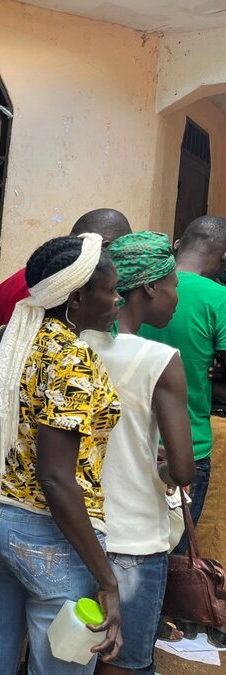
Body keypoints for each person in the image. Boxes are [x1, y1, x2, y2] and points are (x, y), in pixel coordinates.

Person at [0, 233, 123, 674]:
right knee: (61, 666)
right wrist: (108, 581)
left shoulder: (7, 337)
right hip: (54, 538)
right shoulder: (73, 358)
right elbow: (56, 477)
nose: (118, 299)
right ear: (77, 298)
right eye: (111, 290)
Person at [81, 232, 195, 675]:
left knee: (73, 651)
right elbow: (183, 468)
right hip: (132, 537)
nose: (175, 297)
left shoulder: (76, 345)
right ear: (149, 287)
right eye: (173, 286)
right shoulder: (160, 359)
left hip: (74, 529)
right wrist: (164, 464)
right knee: (121, 661)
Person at [139, 215, 226, 547]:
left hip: (131, 441)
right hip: (188, 447)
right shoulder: (218, 299)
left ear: (179, 245)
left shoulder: (135, 289)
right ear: (222, 257)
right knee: (176, 559)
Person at [0, 209, 131, 349]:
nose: (116, 297)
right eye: (122, 254)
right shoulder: (76, 359)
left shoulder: (9, 285)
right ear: (103, 247)